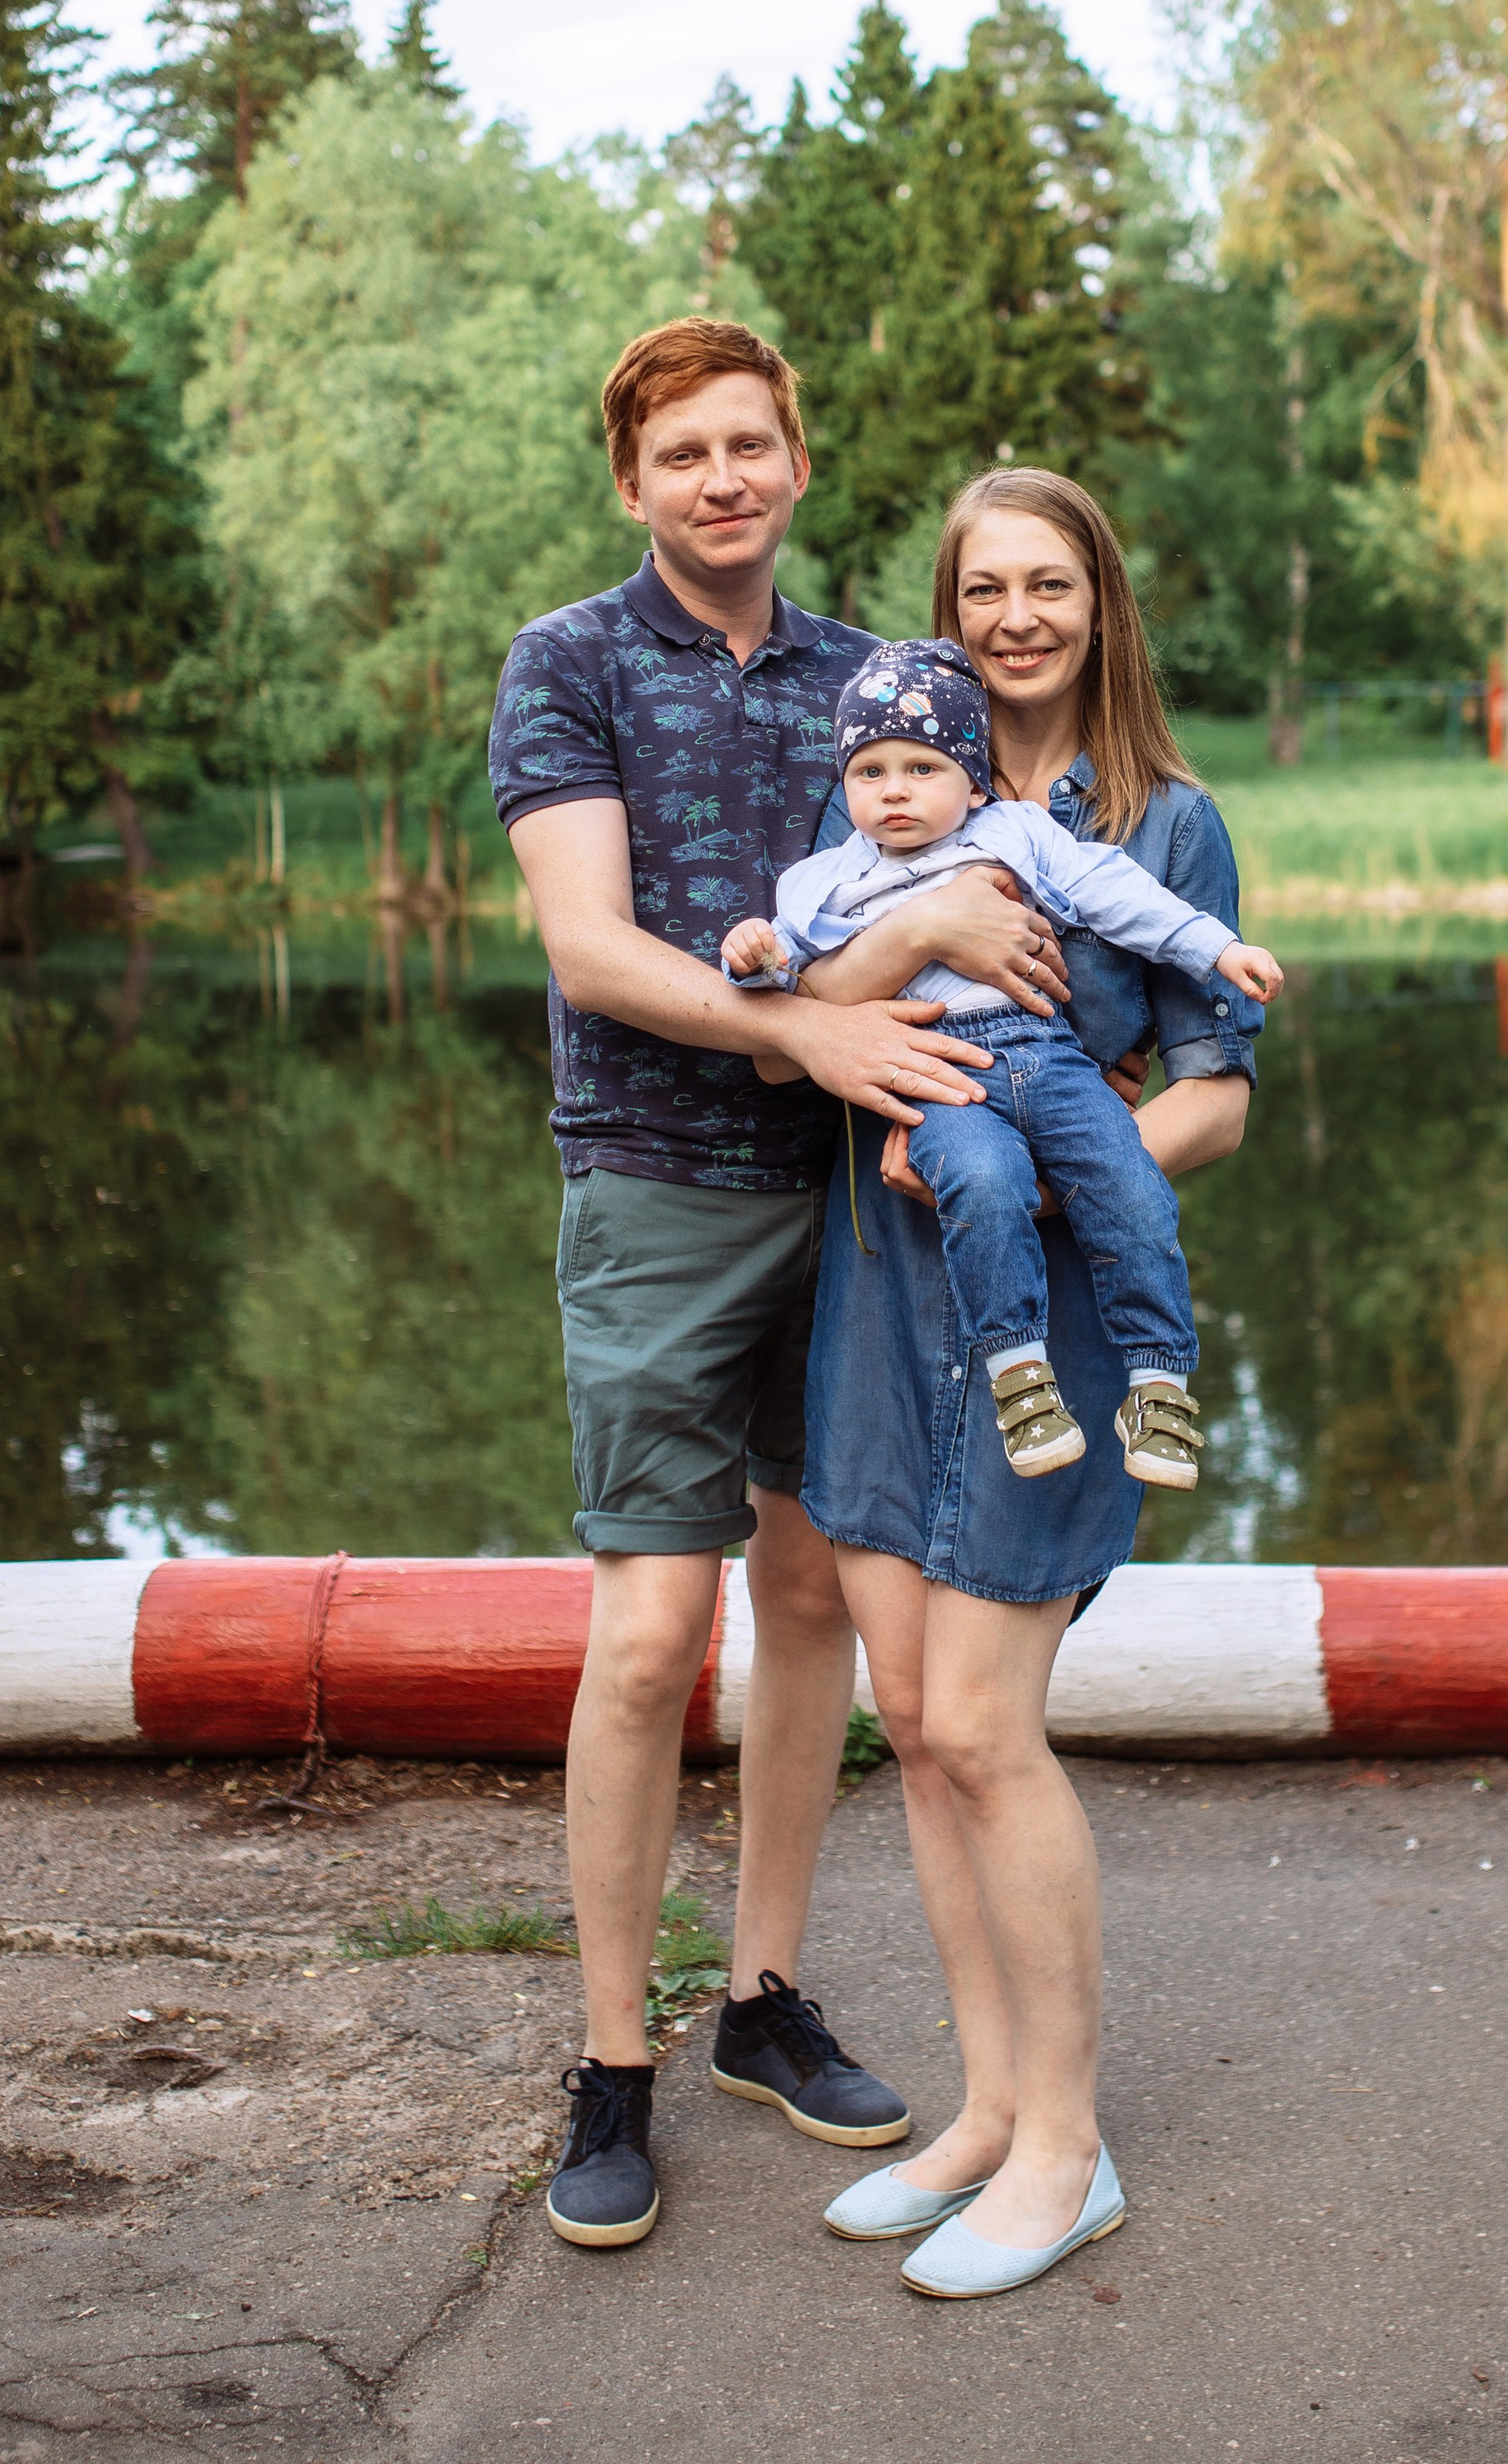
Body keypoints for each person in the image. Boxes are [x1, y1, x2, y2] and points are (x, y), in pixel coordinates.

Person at [489, 316, 1022, 2252]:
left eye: (749, 444)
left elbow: (986, 869)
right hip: (655, 1186)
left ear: (797, 456)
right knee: (646, 1636)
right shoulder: (567, 660)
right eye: (681, 452)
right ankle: (610, 2054)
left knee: (807, 1592)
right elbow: (590, 945)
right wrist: (804, 1030)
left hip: (861, 1196)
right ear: (630, 480)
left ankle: (760, 1997)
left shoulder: (879, 675)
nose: (720, 476)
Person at [787, 469, 1271, 2301]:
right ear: (943, 610)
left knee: (988, 1726)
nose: (1013, 617)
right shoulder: (880, 792)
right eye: (980, 587)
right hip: (877, 1306)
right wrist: (896, 949)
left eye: (1046, 584)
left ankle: (1067, 2151)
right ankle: (988, 2110)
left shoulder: (1160, 823)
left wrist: (1073, 1168)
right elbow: (802, 1023)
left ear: (1099, 601)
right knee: (910, 1724)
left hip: (1046, 1318)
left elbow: (1213, 1090)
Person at [720, 637, 1281, 1492]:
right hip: (943, 1076)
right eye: (869, 772)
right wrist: (749, 954)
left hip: (1048, 1060)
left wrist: (1216, 947)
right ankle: (1019, 1374)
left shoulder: (1017, 833)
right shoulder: (822, 879)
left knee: (1128, 1182)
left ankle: (1159, 1383)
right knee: (983, 1185)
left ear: (971, 780)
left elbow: (1116, 894)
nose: (894, 790)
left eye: (921, 768)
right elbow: (785, 981)